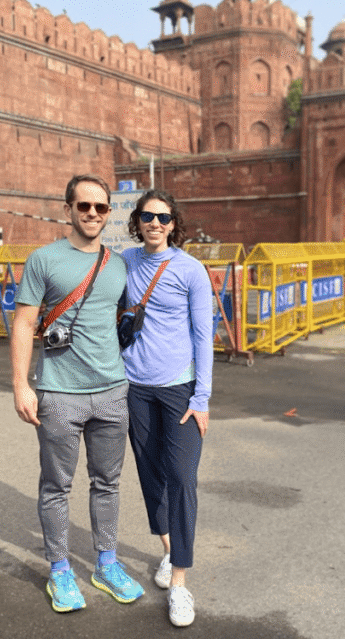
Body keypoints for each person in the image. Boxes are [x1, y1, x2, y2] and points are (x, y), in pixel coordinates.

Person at [11, 174, 144, 612]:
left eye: (100, 208)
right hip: (58, 394)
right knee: (56, 486)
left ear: (109, 213)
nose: (91, 214)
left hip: (111, 391)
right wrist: (20, 385)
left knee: (107, 483)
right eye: (83, 206)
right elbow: (25, 324)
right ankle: (60, 571)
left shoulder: (119, 264)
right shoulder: (44, 260)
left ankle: (106, 563)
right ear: (67, 209)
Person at [122, 190, 214, 626]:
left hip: (179, 389)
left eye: (162, 217)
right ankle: (168, 551)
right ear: (137, 221)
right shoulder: (126, 262)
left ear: (174, 223)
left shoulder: (191, 270)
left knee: (181, 478)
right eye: (147, 216)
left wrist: (202, 399)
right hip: (135, 387)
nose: (154, 223)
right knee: (149, 473)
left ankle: (180, 583)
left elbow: (203, 337)